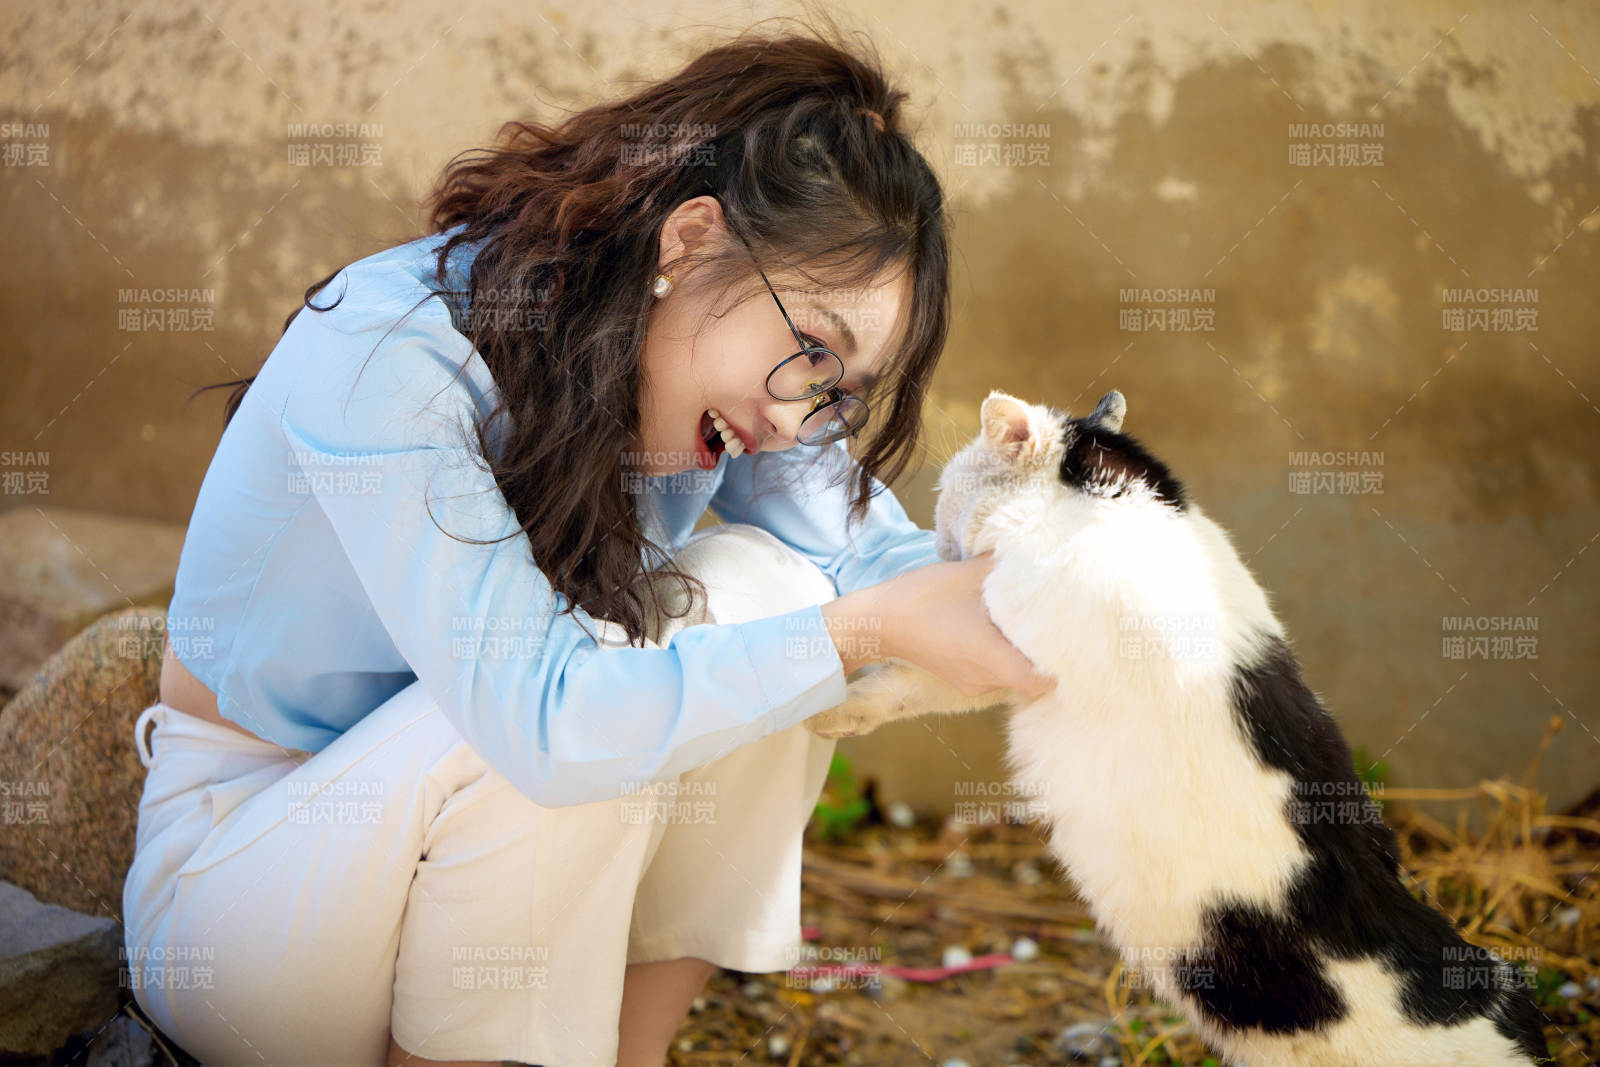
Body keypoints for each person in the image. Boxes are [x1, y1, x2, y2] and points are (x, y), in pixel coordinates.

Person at [121, 21, 1056, 1067]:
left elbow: (879, 562)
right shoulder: (386, 352)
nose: (800, 420)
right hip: (258, 909)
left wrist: (1067, 583)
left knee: (766, 588)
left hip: (456, 853)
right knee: (585, 690)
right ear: (690, 241)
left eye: (839, 390)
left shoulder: (711, 368)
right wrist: (870, 627)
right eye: (810, 355)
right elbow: (544, 720)